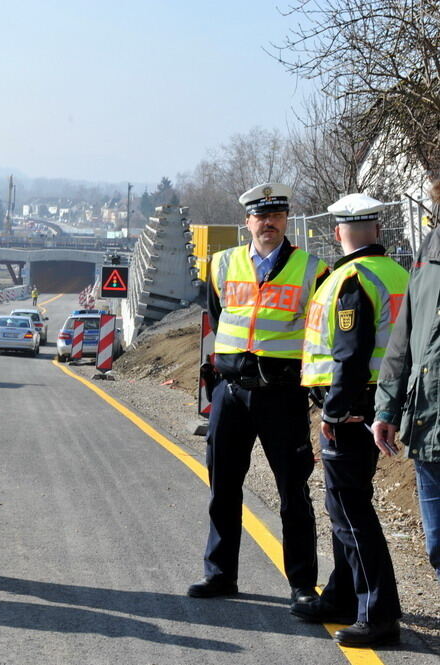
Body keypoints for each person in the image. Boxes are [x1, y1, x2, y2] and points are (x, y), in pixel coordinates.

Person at [188, 183, 327, 605]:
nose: (269, 224)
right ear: (247, 221)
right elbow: (218, 316)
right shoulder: (221, 264)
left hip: (282, 395)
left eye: (277, 216)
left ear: (286, 220)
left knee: (293, 492)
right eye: (261, 217)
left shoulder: (311, 268)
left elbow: (318, 332)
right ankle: (219, 575)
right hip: (231, 393)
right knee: (223, 487)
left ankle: (302, 586)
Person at [295, 194, 406, 648]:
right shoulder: (399, 273)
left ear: (338, 232)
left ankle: (378, 614)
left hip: (353, 405)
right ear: (377, 231)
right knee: (348, 505)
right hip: (384, 401)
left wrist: (336, 411)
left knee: (349, 510)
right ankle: (342, 596)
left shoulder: (351, 279)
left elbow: (351, 352)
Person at [373, 179, 440, 587]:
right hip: (429, 419)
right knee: (437, 545)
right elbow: (405, 335)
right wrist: (387, 406)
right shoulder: (430, 248)